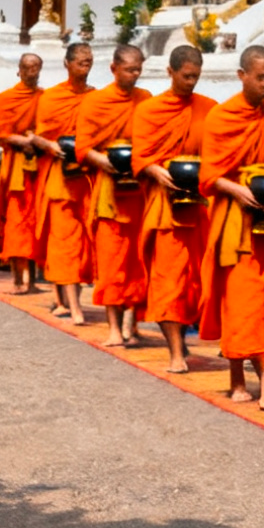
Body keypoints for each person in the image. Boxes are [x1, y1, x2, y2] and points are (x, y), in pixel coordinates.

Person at [198, 45, 264, 410]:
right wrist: (238, 191)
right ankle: (242, 379)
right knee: (241, 300)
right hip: (236, 221)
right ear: (242, 75)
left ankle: (261, 381)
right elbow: (209, 176)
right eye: (260, 77)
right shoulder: (221, 117)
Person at [133, 44, 216, 373]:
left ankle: (184, 337)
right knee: (168, 282)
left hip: (200, 208)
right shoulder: (150, 111)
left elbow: (218, 154)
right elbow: (141, 158)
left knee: (196, 283)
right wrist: (157, 172)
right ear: (170, 72)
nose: (191, 82)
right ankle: (176, 352)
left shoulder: (209, 109)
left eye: (196, 76)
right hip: (166, 208)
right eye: (186, 76)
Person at [77, 45, 152, 347]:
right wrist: (105, 162)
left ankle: (131, 324)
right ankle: (113, 328)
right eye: (129, 70)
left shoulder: (145, 100)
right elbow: (83, 148)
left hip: (139, 193)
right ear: (113, 69)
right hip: (109, 192)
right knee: (111, 263)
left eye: (138, 70)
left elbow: (152, 140)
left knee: (138, 261)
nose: (134, 75)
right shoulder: (96, 102)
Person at [34, 42, 98, 323]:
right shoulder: (52, 97)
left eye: (89, 61)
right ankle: (73, 306)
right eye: (81, 61)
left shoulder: (97, 98)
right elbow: (39, 136)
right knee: (64, 243)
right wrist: (50, 146)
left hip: (87, 179)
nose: (86, 66)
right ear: (67, 64)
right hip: (60, 179)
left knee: (84, 244)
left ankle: (68, 300)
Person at [0, 54, 47, 294]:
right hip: (16, 168)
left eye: (36, 68)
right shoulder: (7, 98)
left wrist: (39, 142)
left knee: (36, 224)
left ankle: (32, 281)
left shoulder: (45, 98)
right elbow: (1, 134)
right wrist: (25, 141)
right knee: (15, 222)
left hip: (40, 168)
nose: (31, 72)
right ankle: (16, 280)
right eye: (27, 68)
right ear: (19, 70)